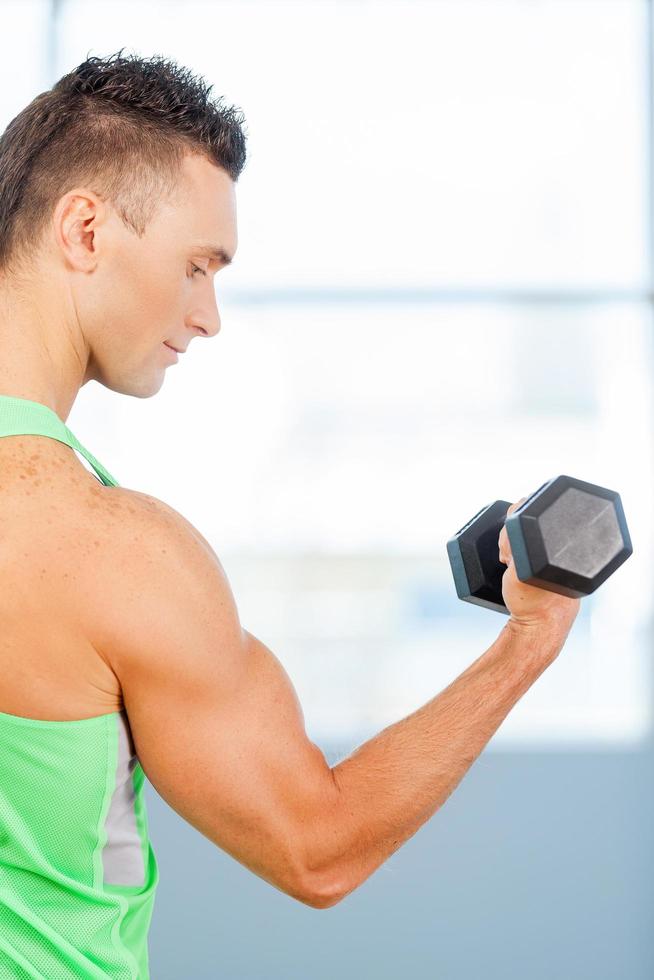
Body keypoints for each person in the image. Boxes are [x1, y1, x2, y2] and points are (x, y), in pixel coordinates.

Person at [0, 48, 580, 979]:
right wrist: (531, 642)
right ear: (83, 229)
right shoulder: (110, 552)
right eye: (196, 266)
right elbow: (320, 846)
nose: (209, 314)